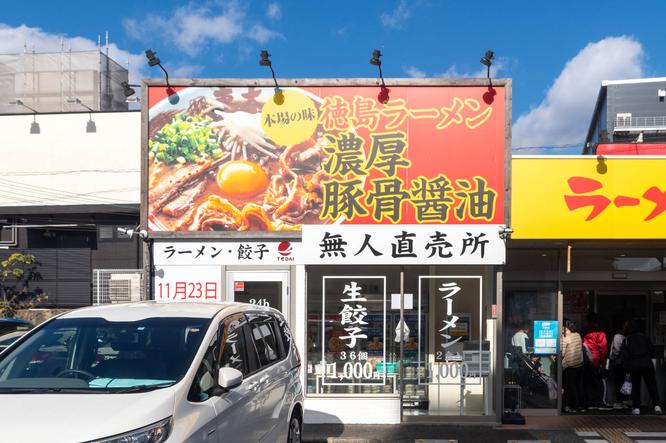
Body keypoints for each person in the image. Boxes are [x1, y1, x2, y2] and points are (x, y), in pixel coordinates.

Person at [623, 320, 662, 415]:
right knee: (651, 384)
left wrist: (626, 368)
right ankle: (657, 406)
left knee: (636, 386)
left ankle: (636, 407)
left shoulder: (627, 340)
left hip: (634, 364)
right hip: (647, 363)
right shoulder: (645, 337)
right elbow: (652, 350)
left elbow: (625, 355)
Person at [582, 312, 609, 409]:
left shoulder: (584, 331)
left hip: (585, 359)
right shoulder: (600, 332)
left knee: (587, 381)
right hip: (596, 359)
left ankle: (589, 401)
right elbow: (603, 348)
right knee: (599, 381)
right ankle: (599, 401)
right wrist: (603, 361)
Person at [561, 319, 585, 413]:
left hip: (570, 365)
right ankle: (581, 406)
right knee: (579, 386)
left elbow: (562, 353)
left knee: (570, 387)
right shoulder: (578, 335)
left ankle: (572, 406)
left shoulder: (565, 337)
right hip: (579, 364)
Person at [609, 320, 630, 408]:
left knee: (619, 382)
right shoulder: (624, 337)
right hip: (623, 362)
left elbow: (616, 350)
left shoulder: (618, 336)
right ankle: (624, 400)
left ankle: (620, 401)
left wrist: (613, 357)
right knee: (623, 381)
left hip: (618, 362)